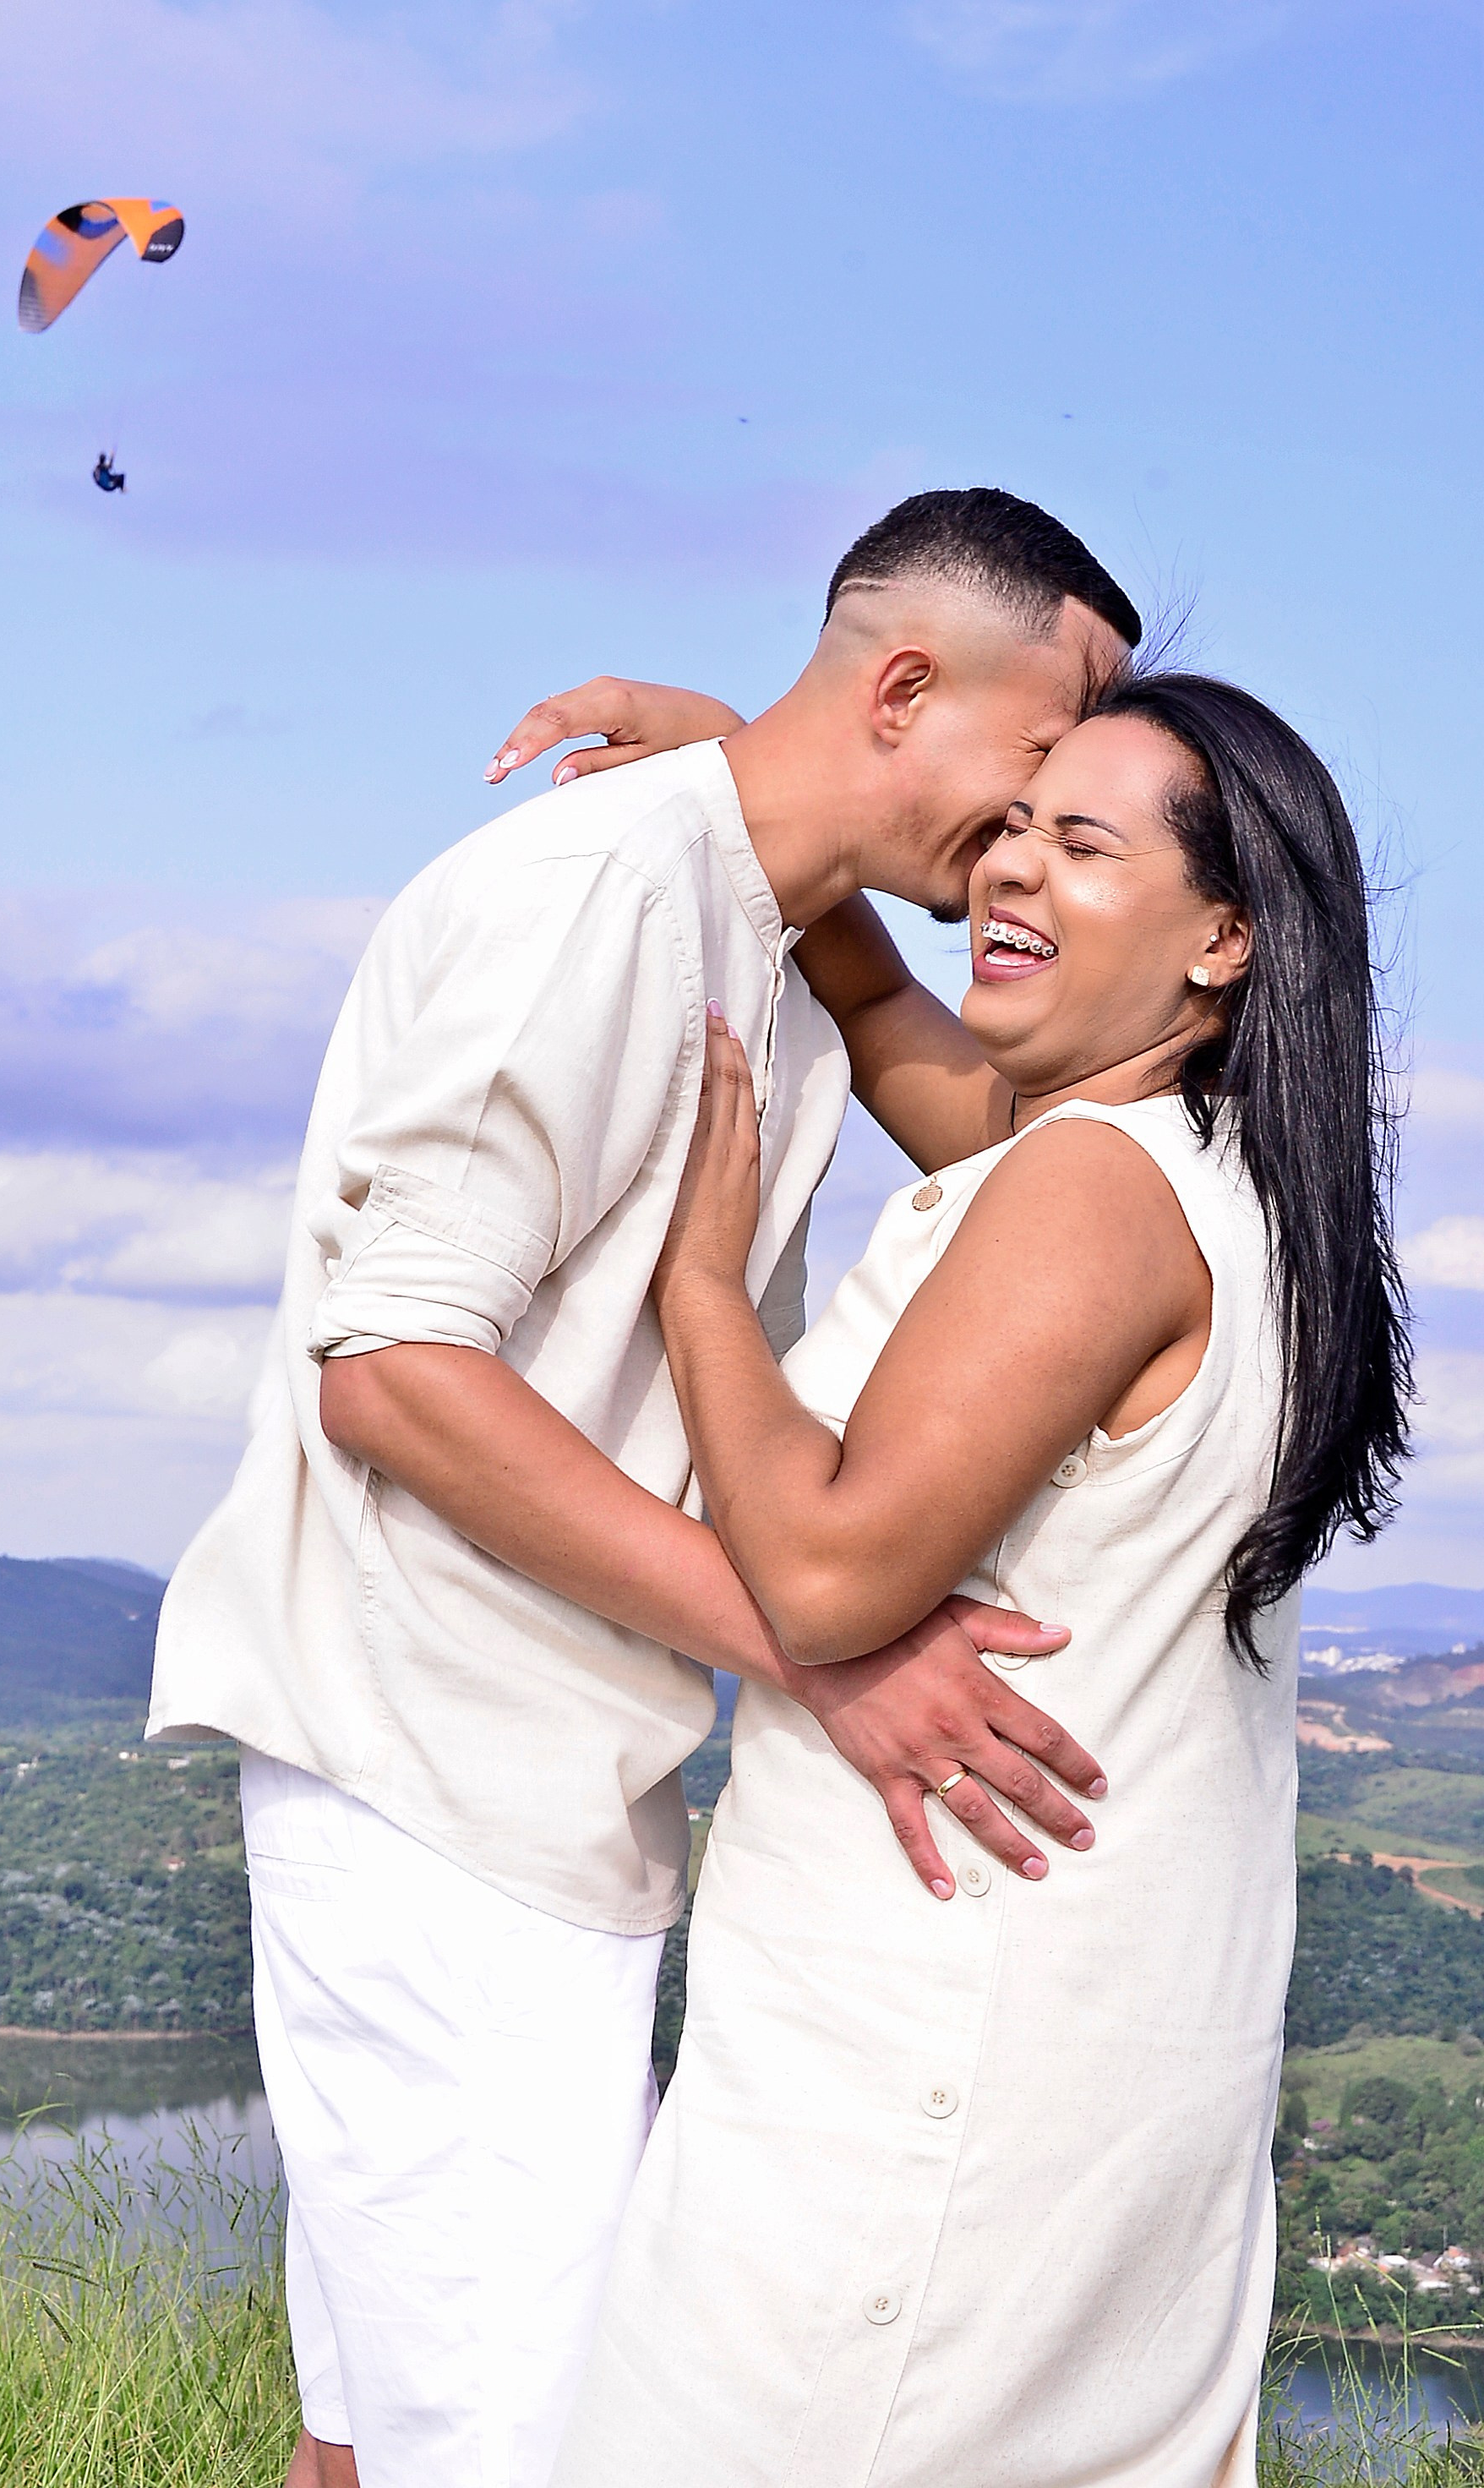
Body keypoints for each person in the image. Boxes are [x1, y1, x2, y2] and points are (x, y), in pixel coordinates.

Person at [145, 488, 1143, 2488]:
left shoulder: (749, 926)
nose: (1040, 826)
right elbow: (397, 1373)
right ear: (906, 687)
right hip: (437, 1783)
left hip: (500, 1782)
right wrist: (818, 1649)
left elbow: (930, 1057)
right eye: (1045, 753)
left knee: (375, 2442)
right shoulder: (600, 896)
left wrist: (747, 771)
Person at [498, 670, 1410, 2488]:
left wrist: (700, 1276)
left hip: (923, 2075)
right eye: (1006, 824)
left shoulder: (1083, 1191)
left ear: (1222, 936)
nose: (1010, 867)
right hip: (1087, 2057)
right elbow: (921, 1049)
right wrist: (773, 789)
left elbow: (827, 1569)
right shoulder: (1224, 1187)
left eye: (1082, 841)